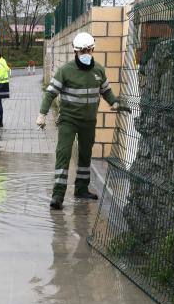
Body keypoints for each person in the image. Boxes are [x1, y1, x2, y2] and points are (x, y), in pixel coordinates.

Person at [36, 32, 119, 210]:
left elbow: (106, 91)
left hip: (88, 121)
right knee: (63, 154)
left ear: (93, 49)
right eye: (83, 51)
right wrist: (42, 114)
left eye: (89, 50)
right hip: (68, 120)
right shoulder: (65, 70)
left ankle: (81, 189)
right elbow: (50, 93)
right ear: (75, 52)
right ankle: (57, 195)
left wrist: (115, 103)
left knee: (85, 155)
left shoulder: (98, 70)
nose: (86, 53)